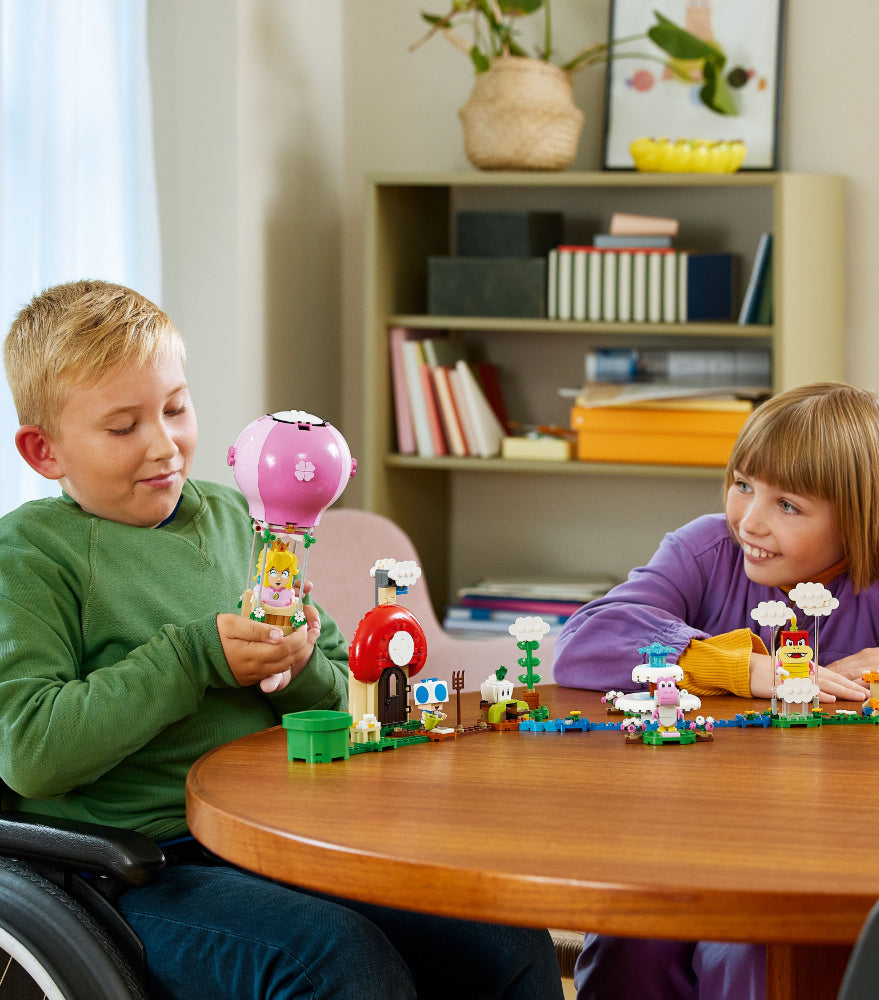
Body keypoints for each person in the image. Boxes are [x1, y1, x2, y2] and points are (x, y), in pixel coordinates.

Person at [0, 280, 562, 1000]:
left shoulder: (240, 518)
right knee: (337, 962)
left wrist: (297, 665)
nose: (165, 444)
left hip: (276, 835)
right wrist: (194, 658)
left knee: (504, 938)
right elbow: (30, 752)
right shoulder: (31, 556)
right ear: (44, 450)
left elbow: (346, 702)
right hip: (137, 868)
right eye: (123, 427)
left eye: (175, 408)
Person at [552, 381, 879, 1000]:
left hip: (841, 860)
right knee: (631, 942)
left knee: (752, 957)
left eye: (788, 505)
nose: (751, 520)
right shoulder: (704, 549)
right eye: (742, 484)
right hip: (687, 840)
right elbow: (588, 636)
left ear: (861, 516)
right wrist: (751, 669)